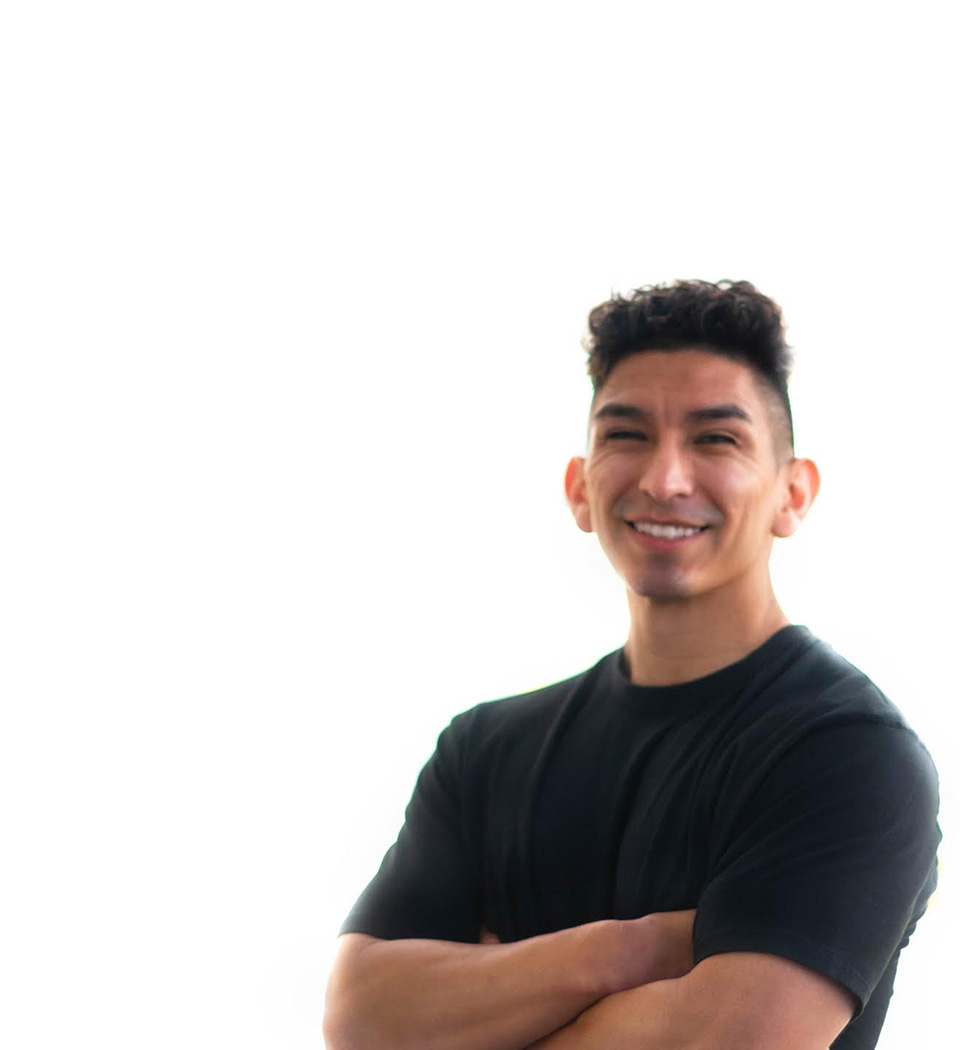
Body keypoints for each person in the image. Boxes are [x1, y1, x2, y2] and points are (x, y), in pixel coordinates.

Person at [322, 279, 941, 1050]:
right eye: (626, 435)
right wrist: (631, 950)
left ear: (793, 493)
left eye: (717, 439)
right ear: (580, 489)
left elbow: (729, 1045)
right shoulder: (482, 751)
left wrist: (491, 999)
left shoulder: (846, 751)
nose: (664, 479)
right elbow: (359, 1020)